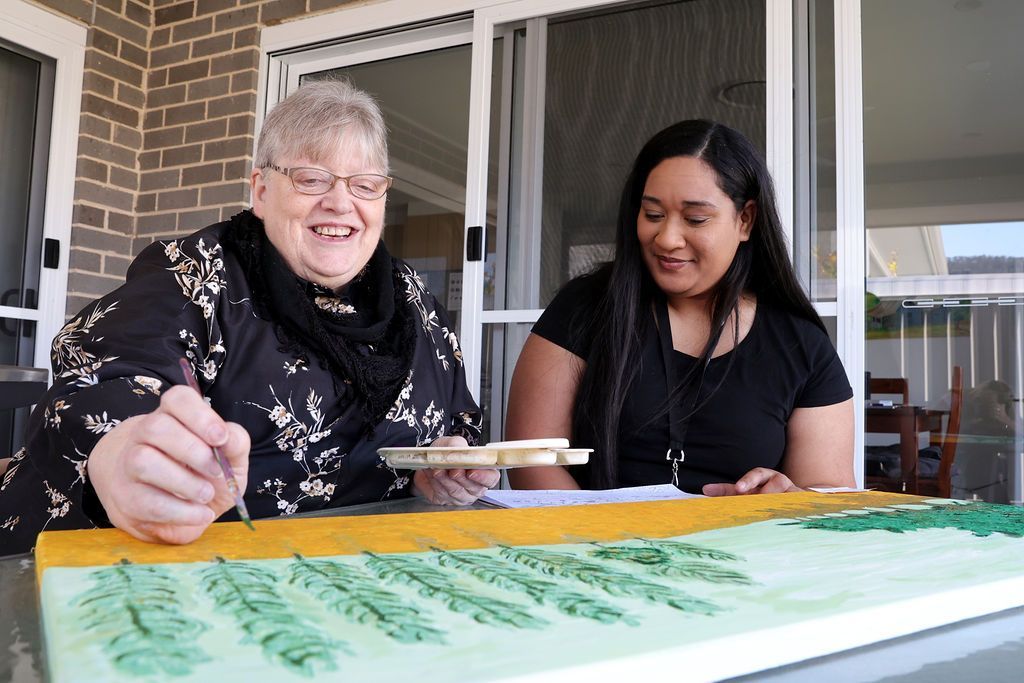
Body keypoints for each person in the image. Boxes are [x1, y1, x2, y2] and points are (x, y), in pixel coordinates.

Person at [0, 80, 497, 554]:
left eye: (365, 185)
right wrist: (119, 452)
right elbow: (104, 377)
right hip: (159, 572)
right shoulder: (197, 273)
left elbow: (459, 417)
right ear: (261, 190)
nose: (341, 202)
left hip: (356, 573)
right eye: (311, 178)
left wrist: (444, 466)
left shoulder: (414, 301)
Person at [506, 120, 855, 495]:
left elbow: (829, 489)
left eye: (695, 219)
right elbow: (530, 461)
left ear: (745, 220)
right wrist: (615, 545)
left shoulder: (800, 345)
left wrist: (791, 497)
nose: (667, 239)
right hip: (598, 547)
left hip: (741, 549)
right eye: (653, 215)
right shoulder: (584, 308)